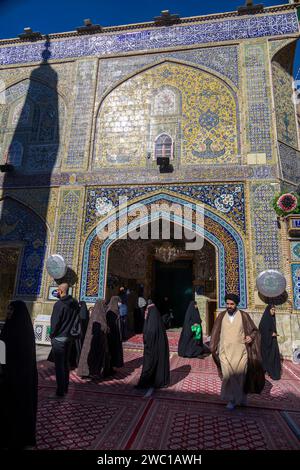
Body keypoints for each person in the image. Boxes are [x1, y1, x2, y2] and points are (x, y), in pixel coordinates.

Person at [210, 293, 265, 410]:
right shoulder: (221, 316)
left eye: (232, 304)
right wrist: (214, 349)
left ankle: (241, 398)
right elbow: (215, 333)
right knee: (228, 377)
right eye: (227, 304)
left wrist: (250, 337)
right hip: (224, 353)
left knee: (240, 377)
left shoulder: (244, 316)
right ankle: (231, 400)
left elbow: (255, 331)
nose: (229, 306)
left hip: (241, 353)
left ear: (236, 304)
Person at [0, 301, 38, 449]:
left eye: (11, 309)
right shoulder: (11, 328)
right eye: (8, 308)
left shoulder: (21, 332)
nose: (8, 312)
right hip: (12, 376)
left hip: (17, 378)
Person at [49, 283, 79, 398]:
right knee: (66, 363)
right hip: (69, 338)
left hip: (59, 338)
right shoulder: (74, 303)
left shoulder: (59, 304)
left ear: (60, 291)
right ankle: (65, 387)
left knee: (59, 365)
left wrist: (52, 335)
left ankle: (60, 390)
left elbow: (55, 323)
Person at [136, 303, 170, 389]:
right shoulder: (158, 323)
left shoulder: (151, 324)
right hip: (157, 349)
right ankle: (157, 380)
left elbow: (147, 337)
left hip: (150, 350)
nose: (146, 312)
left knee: (148, 365)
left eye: (147, 311)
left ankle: (145, 382)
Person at [77, 300, 111, 379]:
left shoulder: (94, 315)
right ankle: (94, 372)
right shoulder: (100, 315)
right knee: (95, 356)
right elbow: (104, 327)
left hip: (92, 341)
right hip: (97, 342)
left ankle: (88, 372)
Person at [259, 305, 281, 380]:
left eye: (274, 310)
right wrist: (271, 334)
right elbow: (262, 329)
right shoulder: (265, 319)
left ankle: (271, 371)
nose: (273, 311)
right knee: (268, 357)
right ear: (268, 310)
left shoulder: (272, 319)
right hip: (266, 343)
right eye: (272, 310)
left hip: (272, 342)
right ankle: (268, 370)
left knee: (273, 357)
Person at [106, 296, 124, 369]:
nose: (120, 304)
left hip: (116, 335)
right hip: (112, 335)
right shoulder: (111, 312)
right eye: (119, 302)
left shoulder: (115, 310)